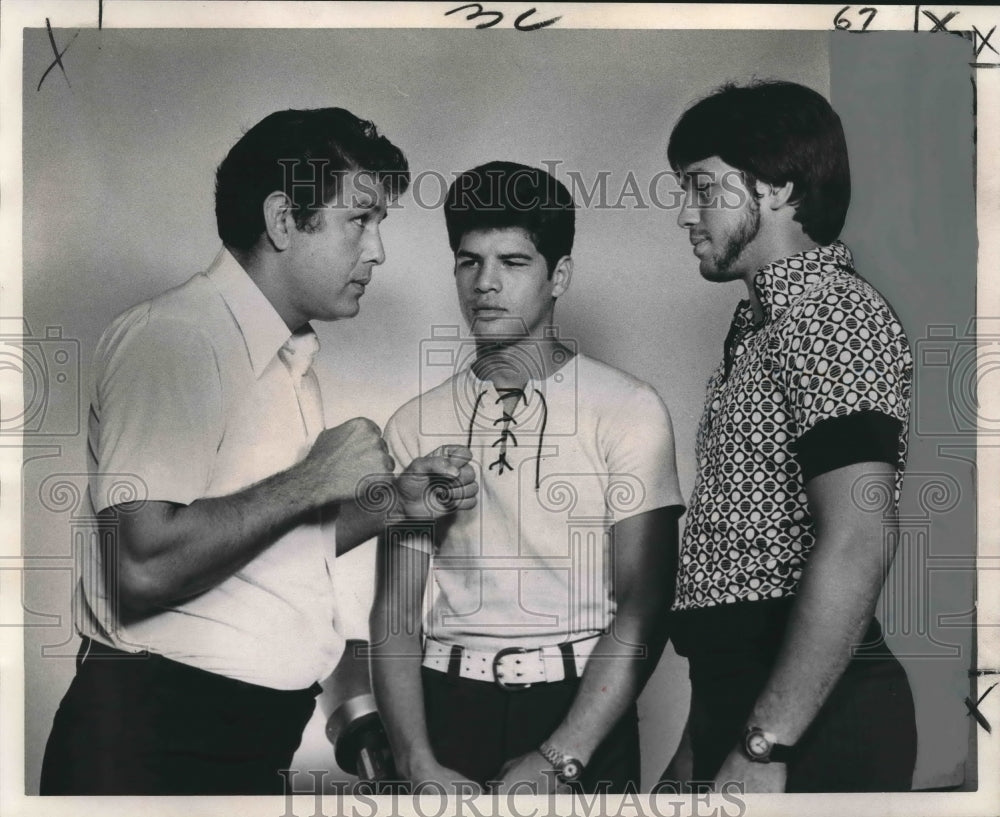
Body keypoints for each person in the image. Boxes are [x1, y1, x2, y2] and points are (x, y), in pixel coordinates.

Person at [40, 107, 476, 795]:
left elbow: (254, 545)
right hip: (157, 745)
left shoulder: (283, 355)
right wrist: (313, 478)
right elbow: (143, 567)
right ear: (282, 220)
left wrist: (393, 504)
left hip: (239, 740)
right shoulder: (175, 339)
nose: (377, 251)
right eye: (359, 220)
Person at [370, 161, 686, 793]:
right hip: (447, 705)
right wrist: (416, 762)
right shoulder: (414, 422)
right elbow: (396, 613)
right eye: (469, 261)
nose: (486, 284)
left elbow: (645, 606)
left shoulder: (628, 408)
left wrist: (561, 756)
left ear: (557, 275)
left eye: (513, 263)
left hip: (581, 706)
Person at [662, 80, 917, 793]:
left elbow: (859, 538)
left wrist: (764, 745)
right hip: (747, 709)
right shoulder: (759, 327)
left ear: (774, 187)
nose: (685, 213)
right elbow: (742, 576)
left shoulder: (833, 314)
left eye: (702, 188)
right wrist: (700, 746)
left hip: (816, 729)